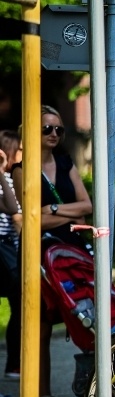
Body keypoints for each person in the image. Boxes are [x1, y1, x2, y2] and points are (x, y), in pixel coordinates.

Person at [10, 106, 93, 397]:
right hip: (39, 254)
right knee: (41, 328)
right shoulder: (21, 170)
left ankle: (92, 391)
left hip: (72, 252)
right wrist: (68, 217)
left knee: (88, 318)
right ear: (32, 133)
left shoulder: (66, 162)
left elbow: (87, 205)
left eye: (59, 129)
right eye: (47, 129)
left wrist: (53, 209)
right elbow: (33, 219)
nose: (54, 134)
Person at [0, 130, 21, 380]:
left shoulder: (9, 176)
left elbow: (13, 207)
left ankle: (13, 363)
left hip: (8, 248)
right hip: (4, 248)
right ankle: (13, 363)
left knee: (18, 303)